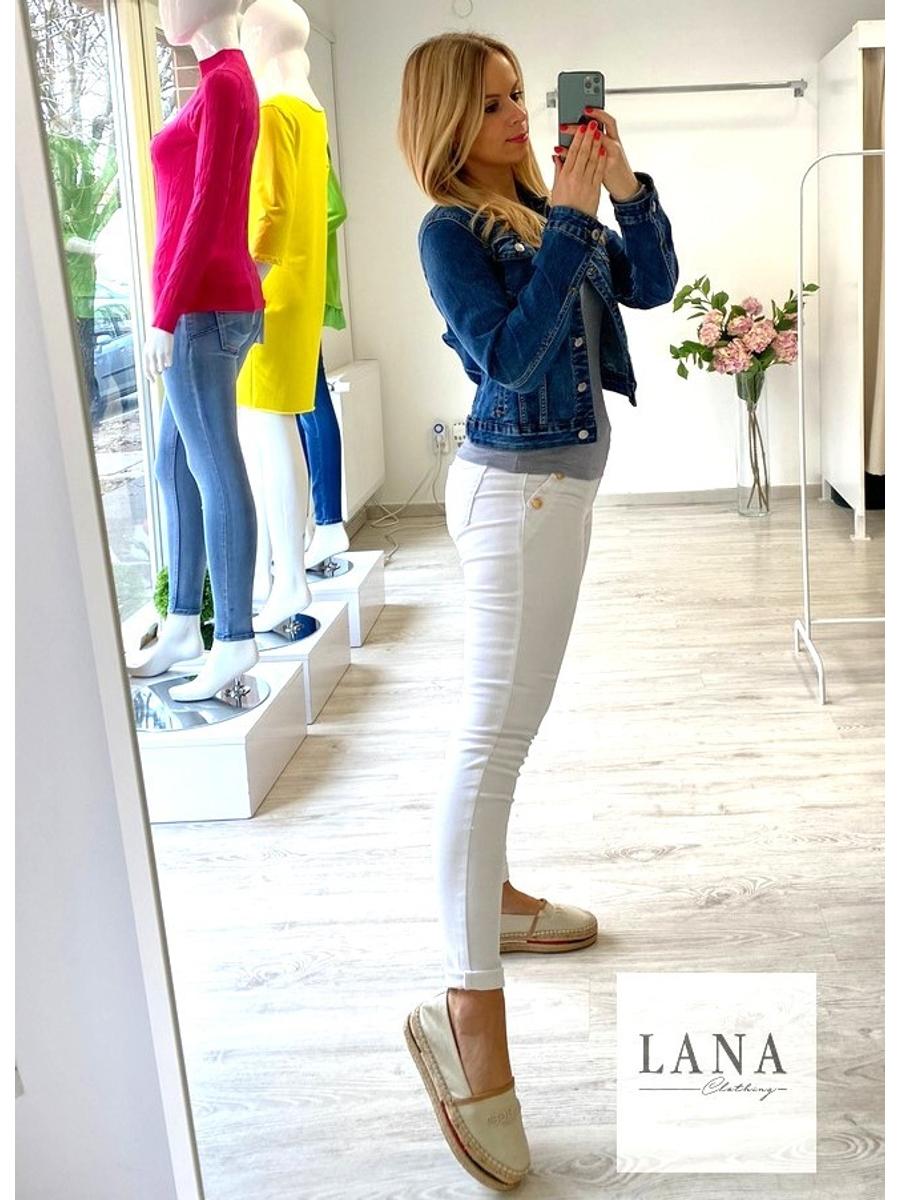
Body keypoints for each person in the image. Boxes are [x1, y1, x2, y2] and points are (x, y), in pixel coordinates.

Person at [397, 31, 678, 1189]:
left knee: (512, 732)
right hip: (514, 498)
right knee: (490, 743)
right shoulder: (452, 231)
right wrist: (567, 220)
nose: (518, 114)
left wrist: (622, 184)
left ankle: (500, 902)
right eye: (492, 103)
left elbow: (652, 285)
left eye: (519, 94)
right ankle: (470, 1019)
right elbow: (508, 363)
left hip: (557, 496)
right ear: (447, 122)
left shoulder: (543, 205)